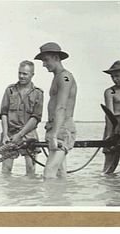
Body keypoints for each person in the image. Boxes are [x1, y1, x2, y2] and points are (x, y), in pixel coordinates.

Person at [34, 42, 77, 179]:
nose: (44, 64)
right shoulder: (57, 77)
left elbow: (61, 107)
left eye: (46, 60)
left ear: (56, 58)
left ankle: (48, 200)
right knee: (60, 173)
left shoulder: (65, 77)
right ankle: (59, 201)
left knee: (48, 173)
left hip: (62, 128)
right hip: (56, 127)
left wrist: (54, 135)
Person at [0, 60, 44, 176]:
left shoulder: (38, 93)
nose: (21, 76)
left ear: (32, 75)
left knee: (31, 171)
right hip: (10, 134)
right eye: (20, 73)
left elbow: (35, 118)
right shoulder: (10, 90)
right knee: (6, 171)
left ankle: (29, 193)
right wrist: (5, 134)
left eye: (25, 74)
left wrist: (20, 135)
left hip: (29, 135)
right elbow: (4, 113)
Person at [102, 60, 120, 174]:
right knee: (109, 166)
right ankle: (108, 187)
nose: (115, 79)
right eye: (112, 77)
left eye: (117, 76)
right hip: (114, 126)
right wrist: (109, 134)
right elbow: (109, 114)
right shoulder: (110, 92)